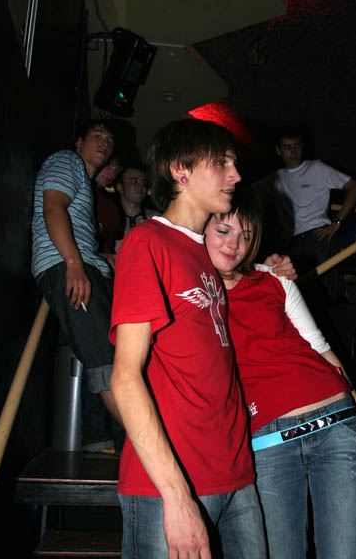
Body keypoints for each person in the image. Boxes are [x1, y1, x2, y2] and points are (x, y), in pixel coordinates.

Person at [204, 187, 356, 559]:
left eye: (246, 236)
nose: (235, 245)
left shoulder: (273, 278)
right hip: (269, 442)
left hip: (338, 423)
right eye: (224, 231)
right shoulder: (189, 289)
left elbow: (321, 349)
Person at [109, 119, 266, 559]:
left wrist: (274, 266)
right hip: (173, 484)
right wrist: (177, 496)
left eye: (234, 163)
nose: (235, 175)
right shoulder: (148, 241)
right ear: (180, 170)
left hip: (237, 475)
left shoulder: (205, 255)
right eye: (222, 163)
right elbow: (124, 377)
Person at [32, 119, 122, 452]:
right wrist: (73, 263)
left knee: (107, 357)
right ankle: (144, 445)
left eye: (109, 140)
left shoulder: (82, 180)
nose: (105, 142)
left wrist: (99, 259)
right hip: (66, 266)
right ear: (78, 142)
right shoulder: (66, 160)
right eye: (98, 136)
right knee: (108, 361)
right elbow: (53, 207)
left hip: (82, 265)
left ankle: (102, 443)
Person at [254, 126, 356, 301]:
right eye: (287, 147)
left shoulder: (316, 168)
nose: (293, 151)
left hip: (318, 237)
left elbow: (355, 188)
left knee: (327, 294)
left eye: (297, 146)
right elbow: (249, 193)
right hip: (292, 244)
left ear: (302, 147)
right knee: (300, 297)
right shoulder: (276, 178)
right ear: (279, 150)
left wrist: (337, 222)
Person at [114, 165, 158, 249]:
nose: (140, 186)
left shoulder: (155, 219)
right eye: (134, 181)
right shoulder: (110, 219)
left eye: (143, 183)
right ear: (120, 187)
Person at [94, 156, 124, 259]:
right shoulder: (77, 192)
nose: (112, 174)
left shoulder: (110, 206)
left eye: (116, 171)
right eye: (108, 166)